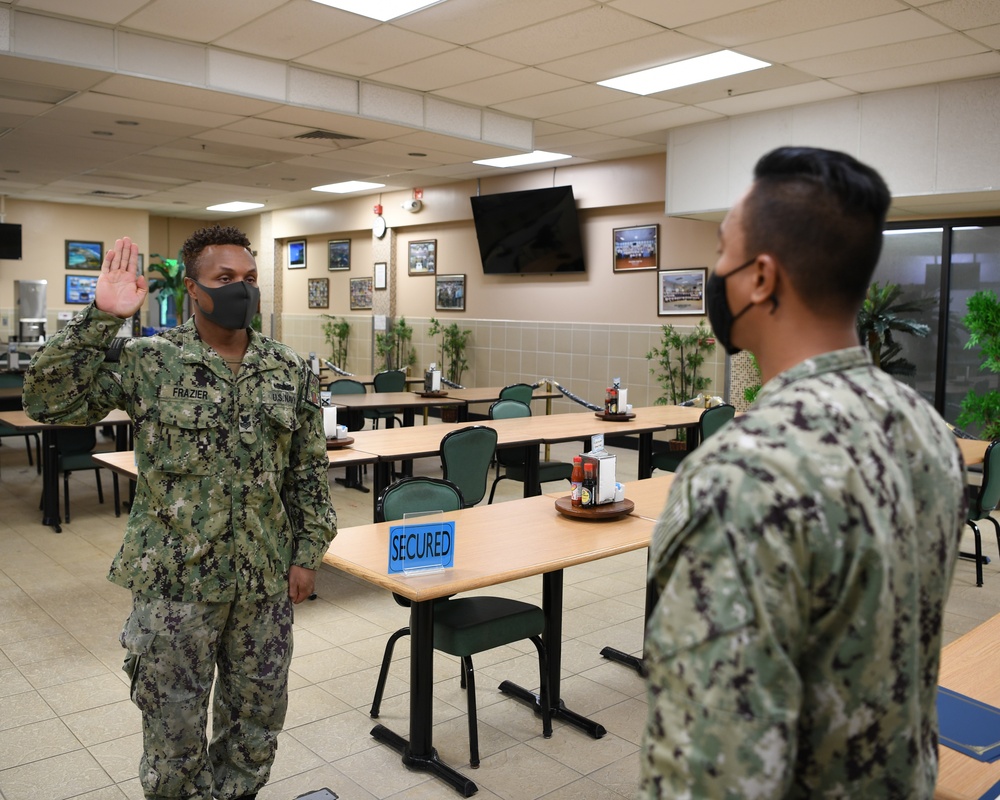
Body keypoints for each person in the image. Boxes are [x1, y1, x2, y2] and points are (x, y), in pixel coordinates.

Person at [639, 147, 966, 798]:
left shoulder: (738, 476)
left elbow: (712, 776)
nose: (714, 273)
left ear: (760, 278)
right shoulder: (928, 430)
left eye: (721, 251)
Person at [23, 225, 337, 800]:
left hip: (262, 581)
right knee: (174, 732)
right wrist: (101, 320)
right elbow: (48, 400)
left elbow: (308, 471)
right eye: (225, 280)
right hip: (176, 584)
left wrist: (308, 554)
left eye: (249, 280)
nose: (241, 290)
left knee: (256, 723)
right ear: (193, 289)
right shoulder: (151, 360)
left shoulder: (290, 369)